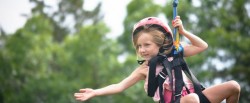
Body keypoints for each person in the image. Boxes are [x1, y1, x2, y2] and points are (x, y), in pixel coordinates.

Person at [74, 16, 240, 103]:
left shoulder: (175, 53)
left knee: (233, 86)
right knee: (192, 99)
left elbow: (202, 46)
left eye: (146, 45)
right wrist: (95, 92)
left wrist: (183, 32)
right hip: (181, 102)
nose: (142, 49)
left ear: (160, 43)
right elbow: (120, 86)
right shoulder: (145, 69)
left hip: (195, 98)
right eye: (139, 46)